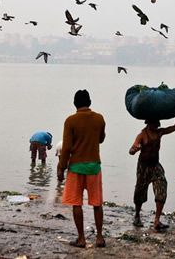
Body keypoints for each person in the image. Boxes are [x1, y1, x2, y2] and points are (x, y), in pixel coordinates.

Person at [57, 89, 106, 248]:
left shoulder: (70, 121)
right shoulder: (99, 118)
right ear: (90, 102)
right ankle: (99, 238)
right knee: (97, 203)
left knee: (76, 203)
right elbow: (101, 139)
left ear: (75, 103)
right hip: (94, 166)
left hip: (76, 166)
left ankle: (82, 239)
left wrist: (61, 167)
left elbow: (67, 148)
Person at [129, 114, 175, 230]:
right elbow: (131, 150)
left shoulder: (159, 133)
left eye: (158, 123)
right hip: (144, 167)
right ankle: (137, 216)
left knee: (161, 188)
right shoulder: (142, 135)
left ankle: (157, 221)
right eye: (155, 123)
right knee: (140, 191)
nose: (158, 125)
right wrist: (135, 149)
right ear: (149, 123)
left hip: (155, 166)